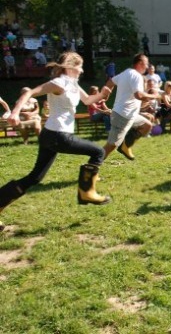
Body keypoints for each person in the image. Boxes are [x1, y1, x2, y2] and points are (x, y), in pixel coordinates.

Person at [0, 52, 112, 231]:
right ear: (70, 67)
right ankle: (87, 192)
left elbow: (89, 100)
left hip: (51, 135)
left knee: (35, 177)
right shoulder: (58, 83)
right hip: (58, 135)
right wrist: (15, 113)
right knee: (98, 152)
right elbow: (30, 93)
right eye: (80, 66)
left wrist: (106, 90)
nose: (82, 70)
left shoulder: (73, 84)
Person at [102, 53, 162, 161]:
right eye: (146, 63)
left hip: (129, 115)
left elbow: (111, 82)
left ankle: (125, 146)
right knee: (110, 146)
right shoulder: (137, 76)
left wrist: (105, 95)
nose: (147, 66)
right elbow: (138, 95)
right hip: (122, 116)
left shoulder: (126, 73)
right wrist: (155, 95)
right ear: (140, 63)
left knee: (146, 125)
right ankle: (90, 168)